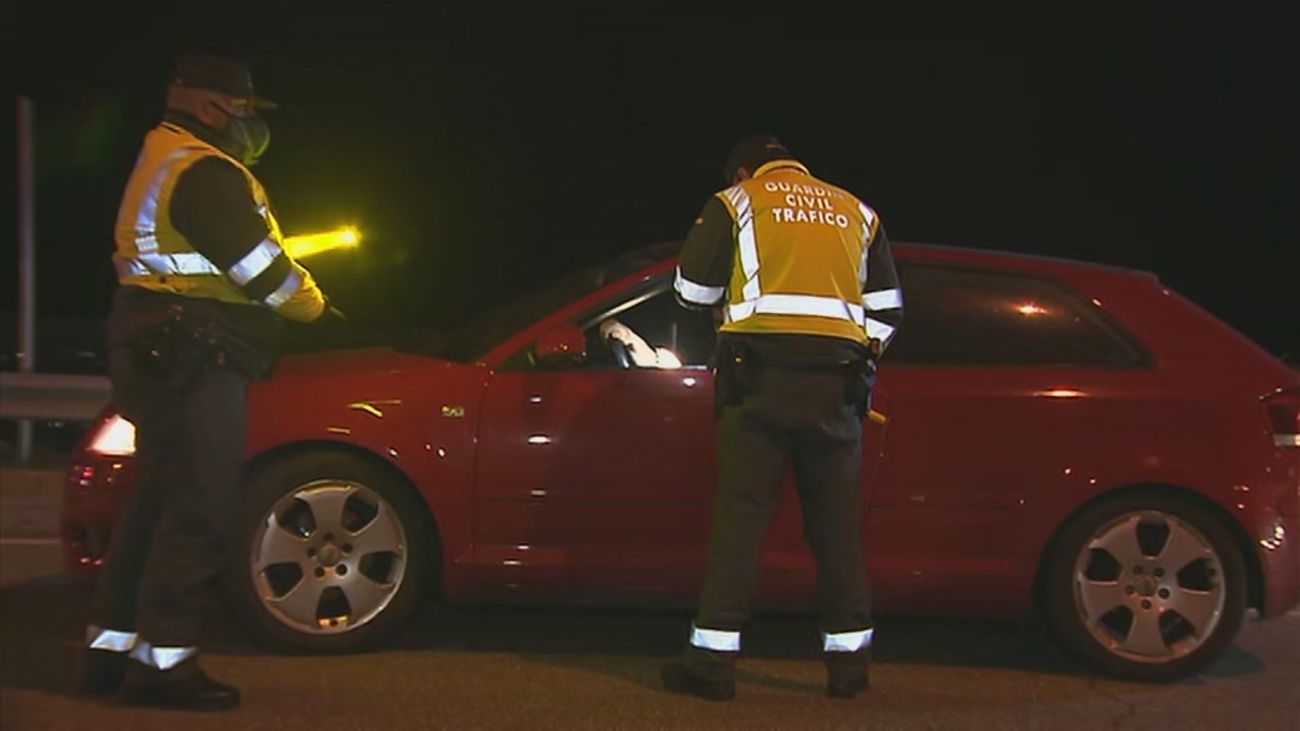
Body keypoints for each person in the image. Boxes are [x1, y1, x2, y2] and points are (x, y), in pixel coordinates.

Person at [76, 53, 340, 711]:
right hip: (196, 352)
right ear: (211, 105)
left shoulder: (161, 157)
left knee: (155, 504)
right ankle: (164, 665)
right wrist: (313, 305)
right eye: (245, 108)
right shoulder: (205, 171)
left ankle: (111, 653)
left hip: (156, 343)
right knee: (201, 507)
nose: (252, 123)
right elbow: (263, 271)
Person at [662, 134, 903, 701]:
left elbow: (692, 292)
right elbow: (887, 312)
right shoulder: (856, 211)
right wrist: (858, 357)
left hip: (758, 382)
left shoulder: (738, 202)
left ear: (743, 172)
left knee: (741, 523)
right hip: (837, 387)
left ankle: (712, 666)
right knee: (837, 528)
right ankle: (849, 669)